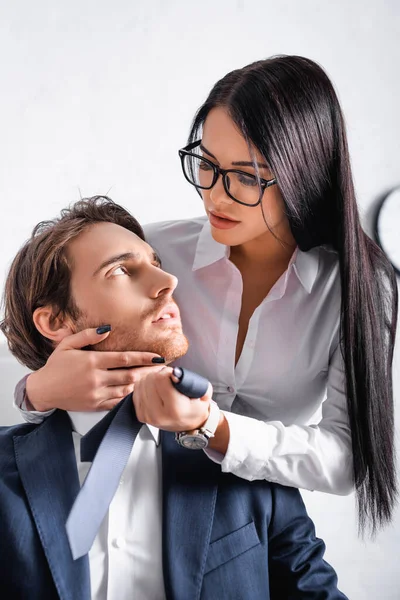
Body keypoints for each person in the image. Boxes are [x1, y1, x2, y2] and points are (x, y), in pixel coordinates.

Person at [13, 55, 398, 535]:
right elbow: (58, 342)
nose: (215, 196)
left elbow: (346, 459)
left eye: (247, 177)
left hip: (257, 518)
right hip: (133, 504)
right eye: (207, 165)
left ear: (306, 175)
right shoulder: (154, 256)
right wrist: (35, 391)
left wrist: (211, 426)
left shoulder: (360, 288)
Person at [0, 197, 347, 599]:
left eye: (158, 264)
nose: (169, 282)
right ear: (55, 321)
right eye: (121, 270)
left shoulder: (245, 458)